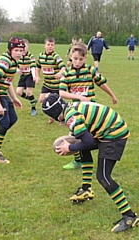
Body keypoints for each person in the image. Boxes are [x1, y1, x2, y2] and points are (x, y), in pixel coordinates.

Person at [42, 93, 139, 233]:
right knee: (81, 148)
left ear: (54, 113)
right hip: (108, 129)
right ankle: (86, 190)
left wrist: (69, 147)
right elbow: (81, 135)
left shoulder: (71, 117)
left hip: (114, 134)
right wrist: (72, 141)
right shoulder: (70, 108)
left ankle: (130, 216)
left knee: (103, 176)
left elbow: (89, 141)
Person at [60, 42, 118, 170]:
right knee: (74, 135)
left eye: (81, 59)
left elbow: (101, 83)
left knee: (90, 136)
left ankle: (98, 158)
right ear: (71, 57)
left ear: (85, 58)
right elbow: (62, 92)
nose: (77, 62)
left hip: (91, 112)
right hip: (75, 112)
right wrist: (79, 97)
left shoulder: (91, 70)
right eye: (75, 59)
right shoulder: (67, 73)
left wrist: (112, 95)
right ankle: (78, 160)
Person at [35, 36, 66, 124]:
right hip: (46, 83)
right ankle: (52, 116)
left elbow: (63, 67)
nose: (50, 46)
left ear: (54, 46)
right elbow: (38, 67)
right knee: (41, 100)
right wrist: (37, 76)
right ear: (45, 45)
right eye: (48, 44)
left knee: (58, 104)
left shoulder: (56, 56)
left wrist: (60, 73)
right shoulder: (41, 56)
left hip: (56, 85)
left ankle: (63, 119)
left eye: (52, 45)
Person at [16, 39, 38, 116]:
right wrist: (17, 69)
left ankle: (33, 109)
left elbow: (33, 66)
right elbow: (15, 64)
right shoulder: (18, 56)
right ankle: (32, 100)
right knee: (19, 92)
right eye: (22, 46)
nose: (24, 48)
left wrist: (34, 76)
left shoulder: (30, 56)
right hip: (23, 76)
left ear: (28, 47)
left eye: (25, 46)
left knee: (29, 91)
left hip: (30, 75)